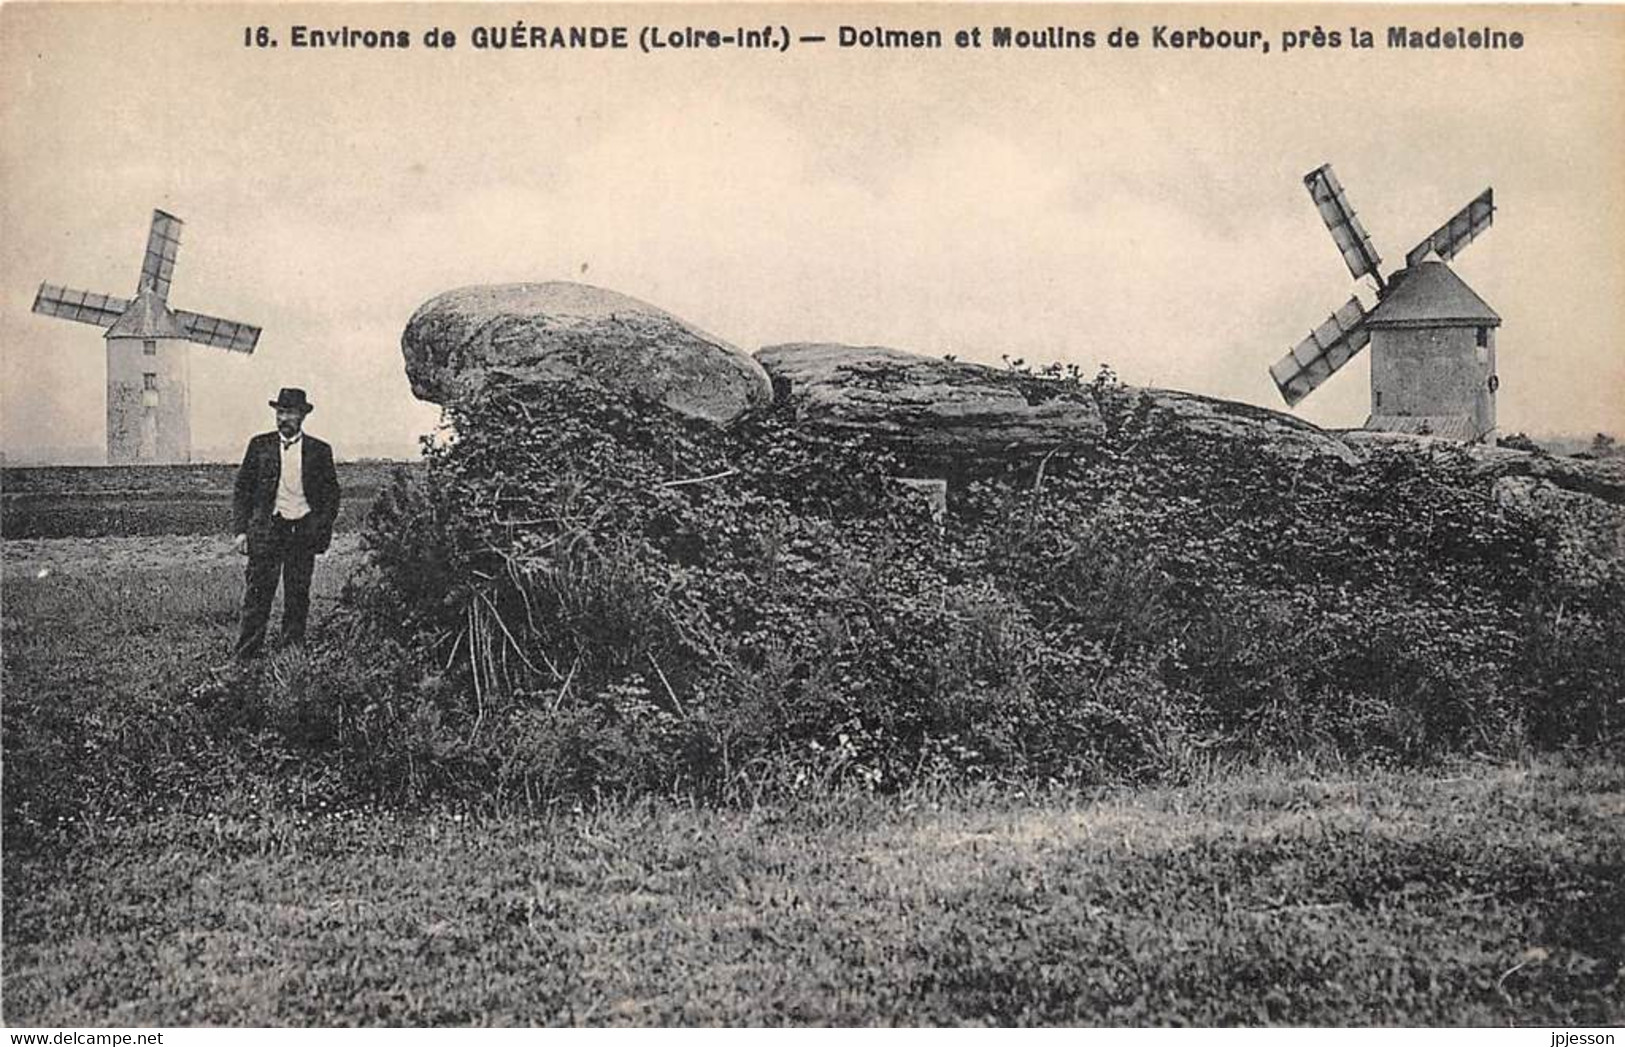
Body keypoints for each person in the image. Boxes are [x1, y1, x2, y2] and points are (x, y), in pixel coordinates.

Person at [231, 387, 341, 659]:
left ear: (302, 416)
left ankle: (291, 652)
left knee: (297, 594)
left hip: (302, 531)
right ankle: (246, 655)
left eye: (290, 412)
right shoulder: (259, 446)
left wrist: (321, 529)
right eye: (280, 412)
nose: (284, 418)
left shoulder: (319, 450)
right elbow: (242, 489)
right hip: (267, 531)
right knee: (257, 595)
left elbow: (331, 494)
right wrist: (241, 531)